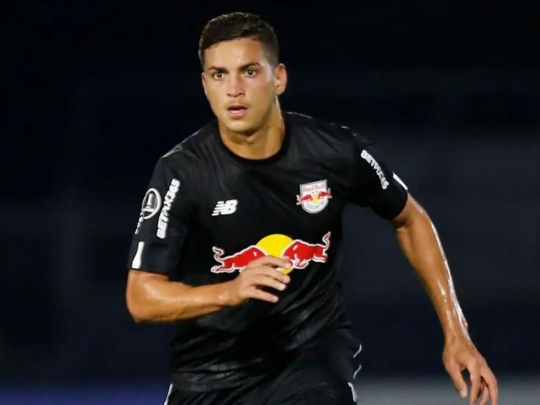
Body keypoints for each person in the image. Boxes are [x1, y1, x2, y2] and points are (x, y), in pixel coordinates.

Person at [125, 12, 498, 405]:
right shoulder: (182, 172)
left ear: (279, 78)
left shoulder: (334, 152)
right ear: (205, 85)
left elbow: (410, 219)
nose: (234, 89)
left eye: (249, 72)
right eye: (219, 75)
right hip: (209, 376)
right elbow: (141, 297)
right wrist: (229, 291)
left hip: (309, 362)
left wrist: (456, 332)